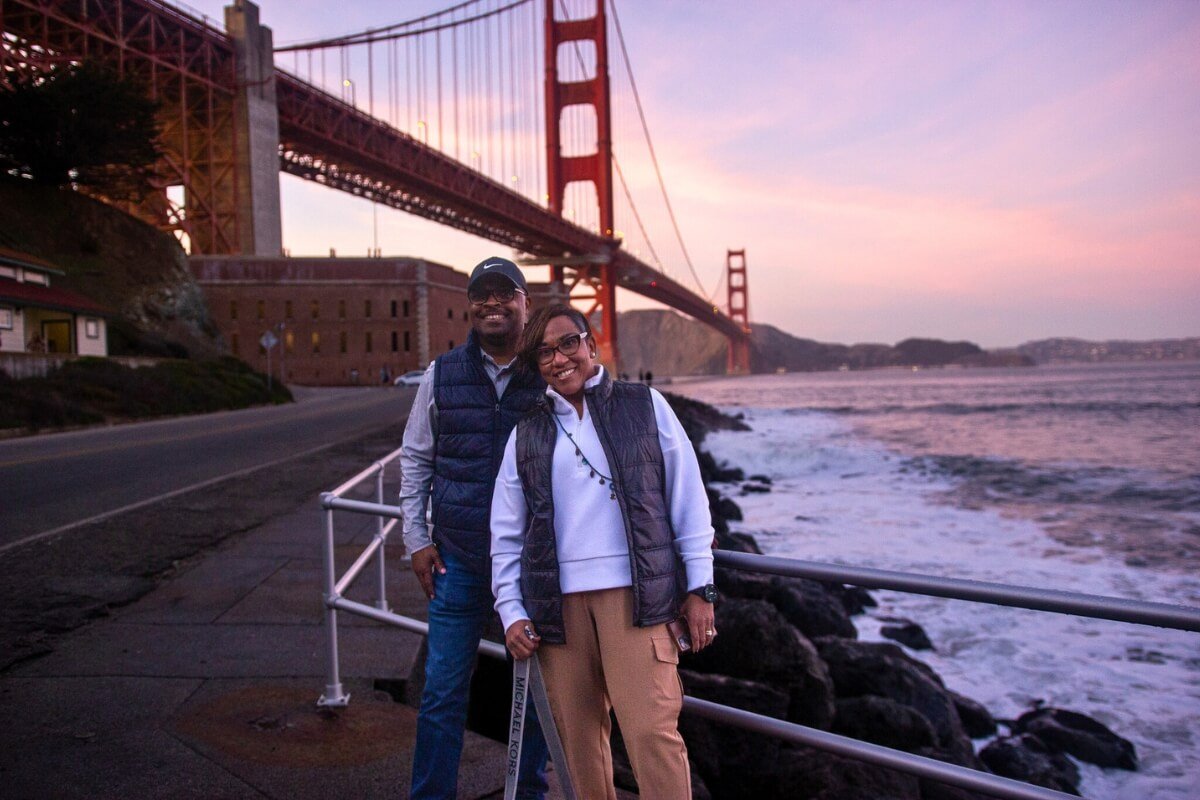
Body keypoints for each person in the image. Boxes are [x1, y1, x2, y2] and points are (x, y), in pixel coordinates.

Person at [490, 304, 718, 800]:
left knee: (651, 736)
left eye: (568, 343)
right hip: (558, 613)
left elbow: (689, 500)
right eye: (544, 353)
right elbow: (505, 535)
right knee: (580, 748)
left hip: (638, 601)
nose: (558, 359)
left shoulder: (645, 405)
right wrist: (510, 610)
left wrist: (701, 587)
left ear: (591, 344)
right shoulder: (525, 433)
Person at [399, 257, 550, 800]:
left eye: (504, 293)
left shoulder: (548, 373)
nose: (492, 303)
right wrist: (416, 539)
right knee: (441, 695)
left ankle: (527, 794)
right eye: (481, 294)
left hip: (531, 567)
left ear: (524, 302)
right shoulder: (442, 373)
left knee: (537, 699)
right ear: (470, 304)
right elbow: (415, 459)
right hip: (458, 560)